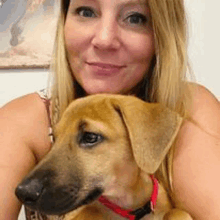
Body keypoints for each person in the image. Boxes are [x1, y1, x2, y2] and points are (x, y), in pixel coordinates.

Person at [0, 0, 219, 219]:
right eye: (86, 12)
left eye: (135, 18)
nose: (104, 40)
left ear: (163, 32)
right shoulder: (20, 120)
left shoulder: (188, 107)